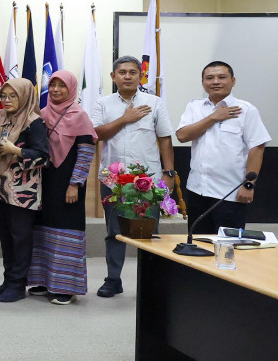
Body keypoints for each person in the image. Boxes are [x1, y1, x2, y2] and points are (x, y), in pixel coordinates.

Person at [91, 56, 176, 298]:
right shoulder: (103, 104)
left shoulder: (155, 103)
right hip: (113, 179)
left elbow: (165, 138)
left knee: (149, 232)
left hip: (147, 179)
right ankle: (113, 279)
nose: (127, 76)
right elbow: (96, 134)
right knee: (114, 231)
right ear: (113, 77)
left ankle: (152, 282)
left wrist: (169, 173)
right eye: (122, 72)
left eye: (132, 72)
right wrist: (124, 119)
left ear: (141, 76)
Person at [175, 61, 270, 231]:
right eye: (209, 78)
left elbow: (257, 147)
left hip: (230, 193)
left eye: (222, 77)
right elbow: (182, 136)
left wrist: (249, 184)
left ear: (233, 81)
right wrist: (213, 117)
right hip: (197, 190)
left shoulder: (246, 110)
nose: (215, 81)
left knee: (227, 248)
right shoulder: (194, 106)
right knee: (198, 245)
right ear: (203, 82)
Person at [29, 71, 97, 305]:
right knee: (42, 229)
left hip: (68, 183)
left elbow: (86, 153)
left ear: (71, 89)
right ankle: (43, 280)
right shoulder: (42, 114)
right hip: (43, 182)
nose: (56, 90)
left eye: (62, 86)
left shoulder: (80, 116)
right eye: (53, 85)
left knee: (66, 231)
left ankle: (65, 287)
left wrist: (75, 184)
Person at [0, 78, 49, 303]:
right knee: (5, 237)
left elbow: (44, 157)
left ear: (24, 96)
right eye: (3, 96)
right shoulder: (0, 118)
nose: (7, 100)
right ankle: (8, 279)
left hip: (23, 190)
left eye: (12, 96)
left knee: (20, 238)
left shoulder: (35, 122)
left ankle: (18, 284)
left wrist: (17, 151)